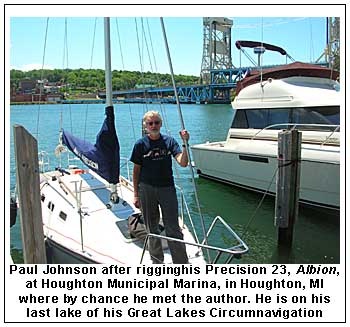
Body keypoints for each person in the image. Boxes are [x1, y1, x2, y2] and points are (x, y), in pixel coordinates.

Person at [130, 111, 189, 264]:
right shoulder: (140, 145)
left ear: (161, 124)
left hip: (167, 189)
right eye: (150, 123)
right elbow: (136, 171)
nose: (154, 126)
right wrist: (136, 194)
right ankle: (157, 263)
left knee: (173, 229)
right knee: (152, 229)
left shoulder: (169, 142)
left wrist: (185, 143)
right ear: (146, 126)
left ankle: (181, 264)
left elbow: (183, 163)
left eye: (156, 122)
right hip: (146, 189)